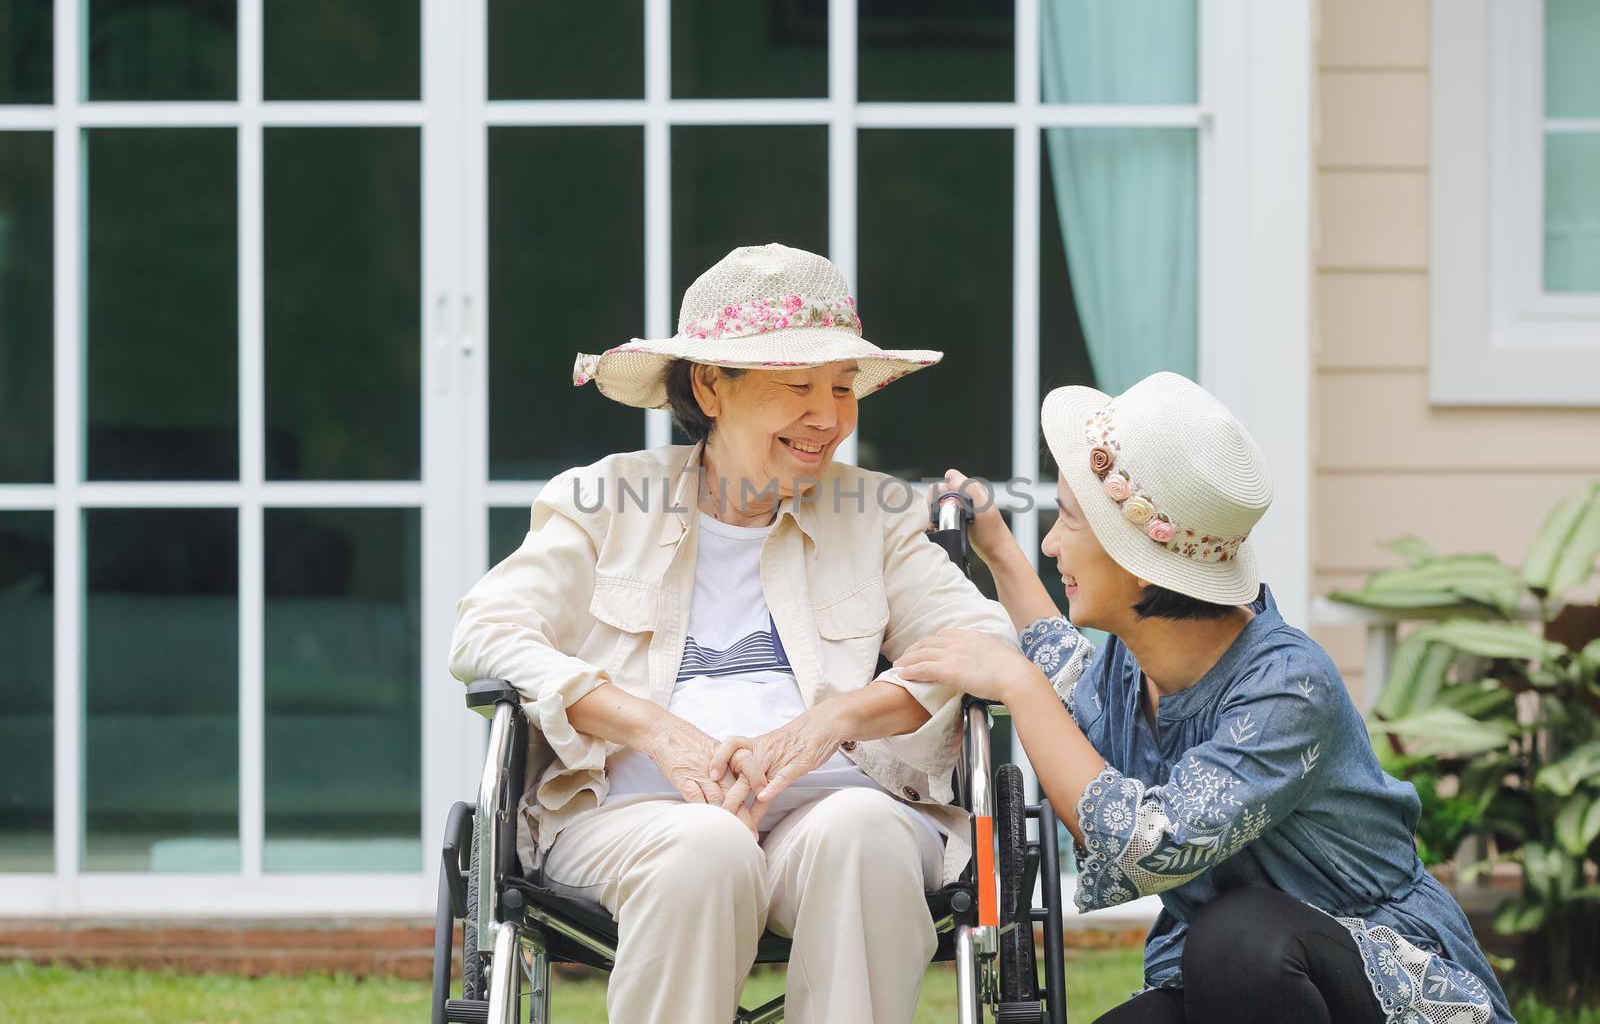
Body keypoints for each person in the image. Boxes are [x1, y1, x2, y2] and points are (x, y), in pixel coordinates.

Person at [448, 242, 1017, 1023]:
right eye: (797, 386)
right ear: (711, 386)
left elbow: (984, 639)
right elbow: (485, 630)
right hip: (630, 817)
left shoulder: (875, 513)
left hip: (836, 805)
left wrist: (836, 720)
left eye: (843, 387)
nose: (829, 417)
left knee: (866, 836)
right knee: (706, 847)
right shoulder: (603, 499)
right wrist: (653, 728)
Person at [895, 371, 1513, 1023]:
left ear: (1137, 559)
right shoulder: (1136, 666)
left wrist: (1015, 682)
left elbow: (1149, 843)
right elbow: (1071, 687)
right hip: (1231, 981)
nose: (1050, 543)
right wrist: (999, 550)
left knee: (1235, 935)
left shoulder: (1288, 689)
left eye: (1068, 522)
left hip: (1374, 980)